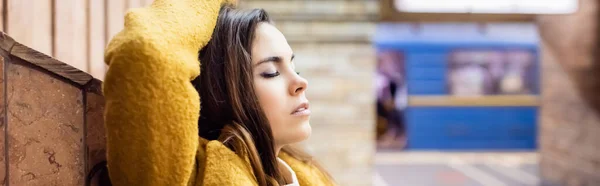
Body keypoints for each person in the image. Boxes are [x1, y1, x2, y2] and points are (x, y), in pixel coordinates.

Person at [93, 0, 334, 185]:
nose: (300, 82)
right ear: (223, 90)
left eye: (293, 66)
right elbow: (146, 53)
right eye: (271, 72)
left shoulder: (307, 177)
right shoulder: (190, 174)